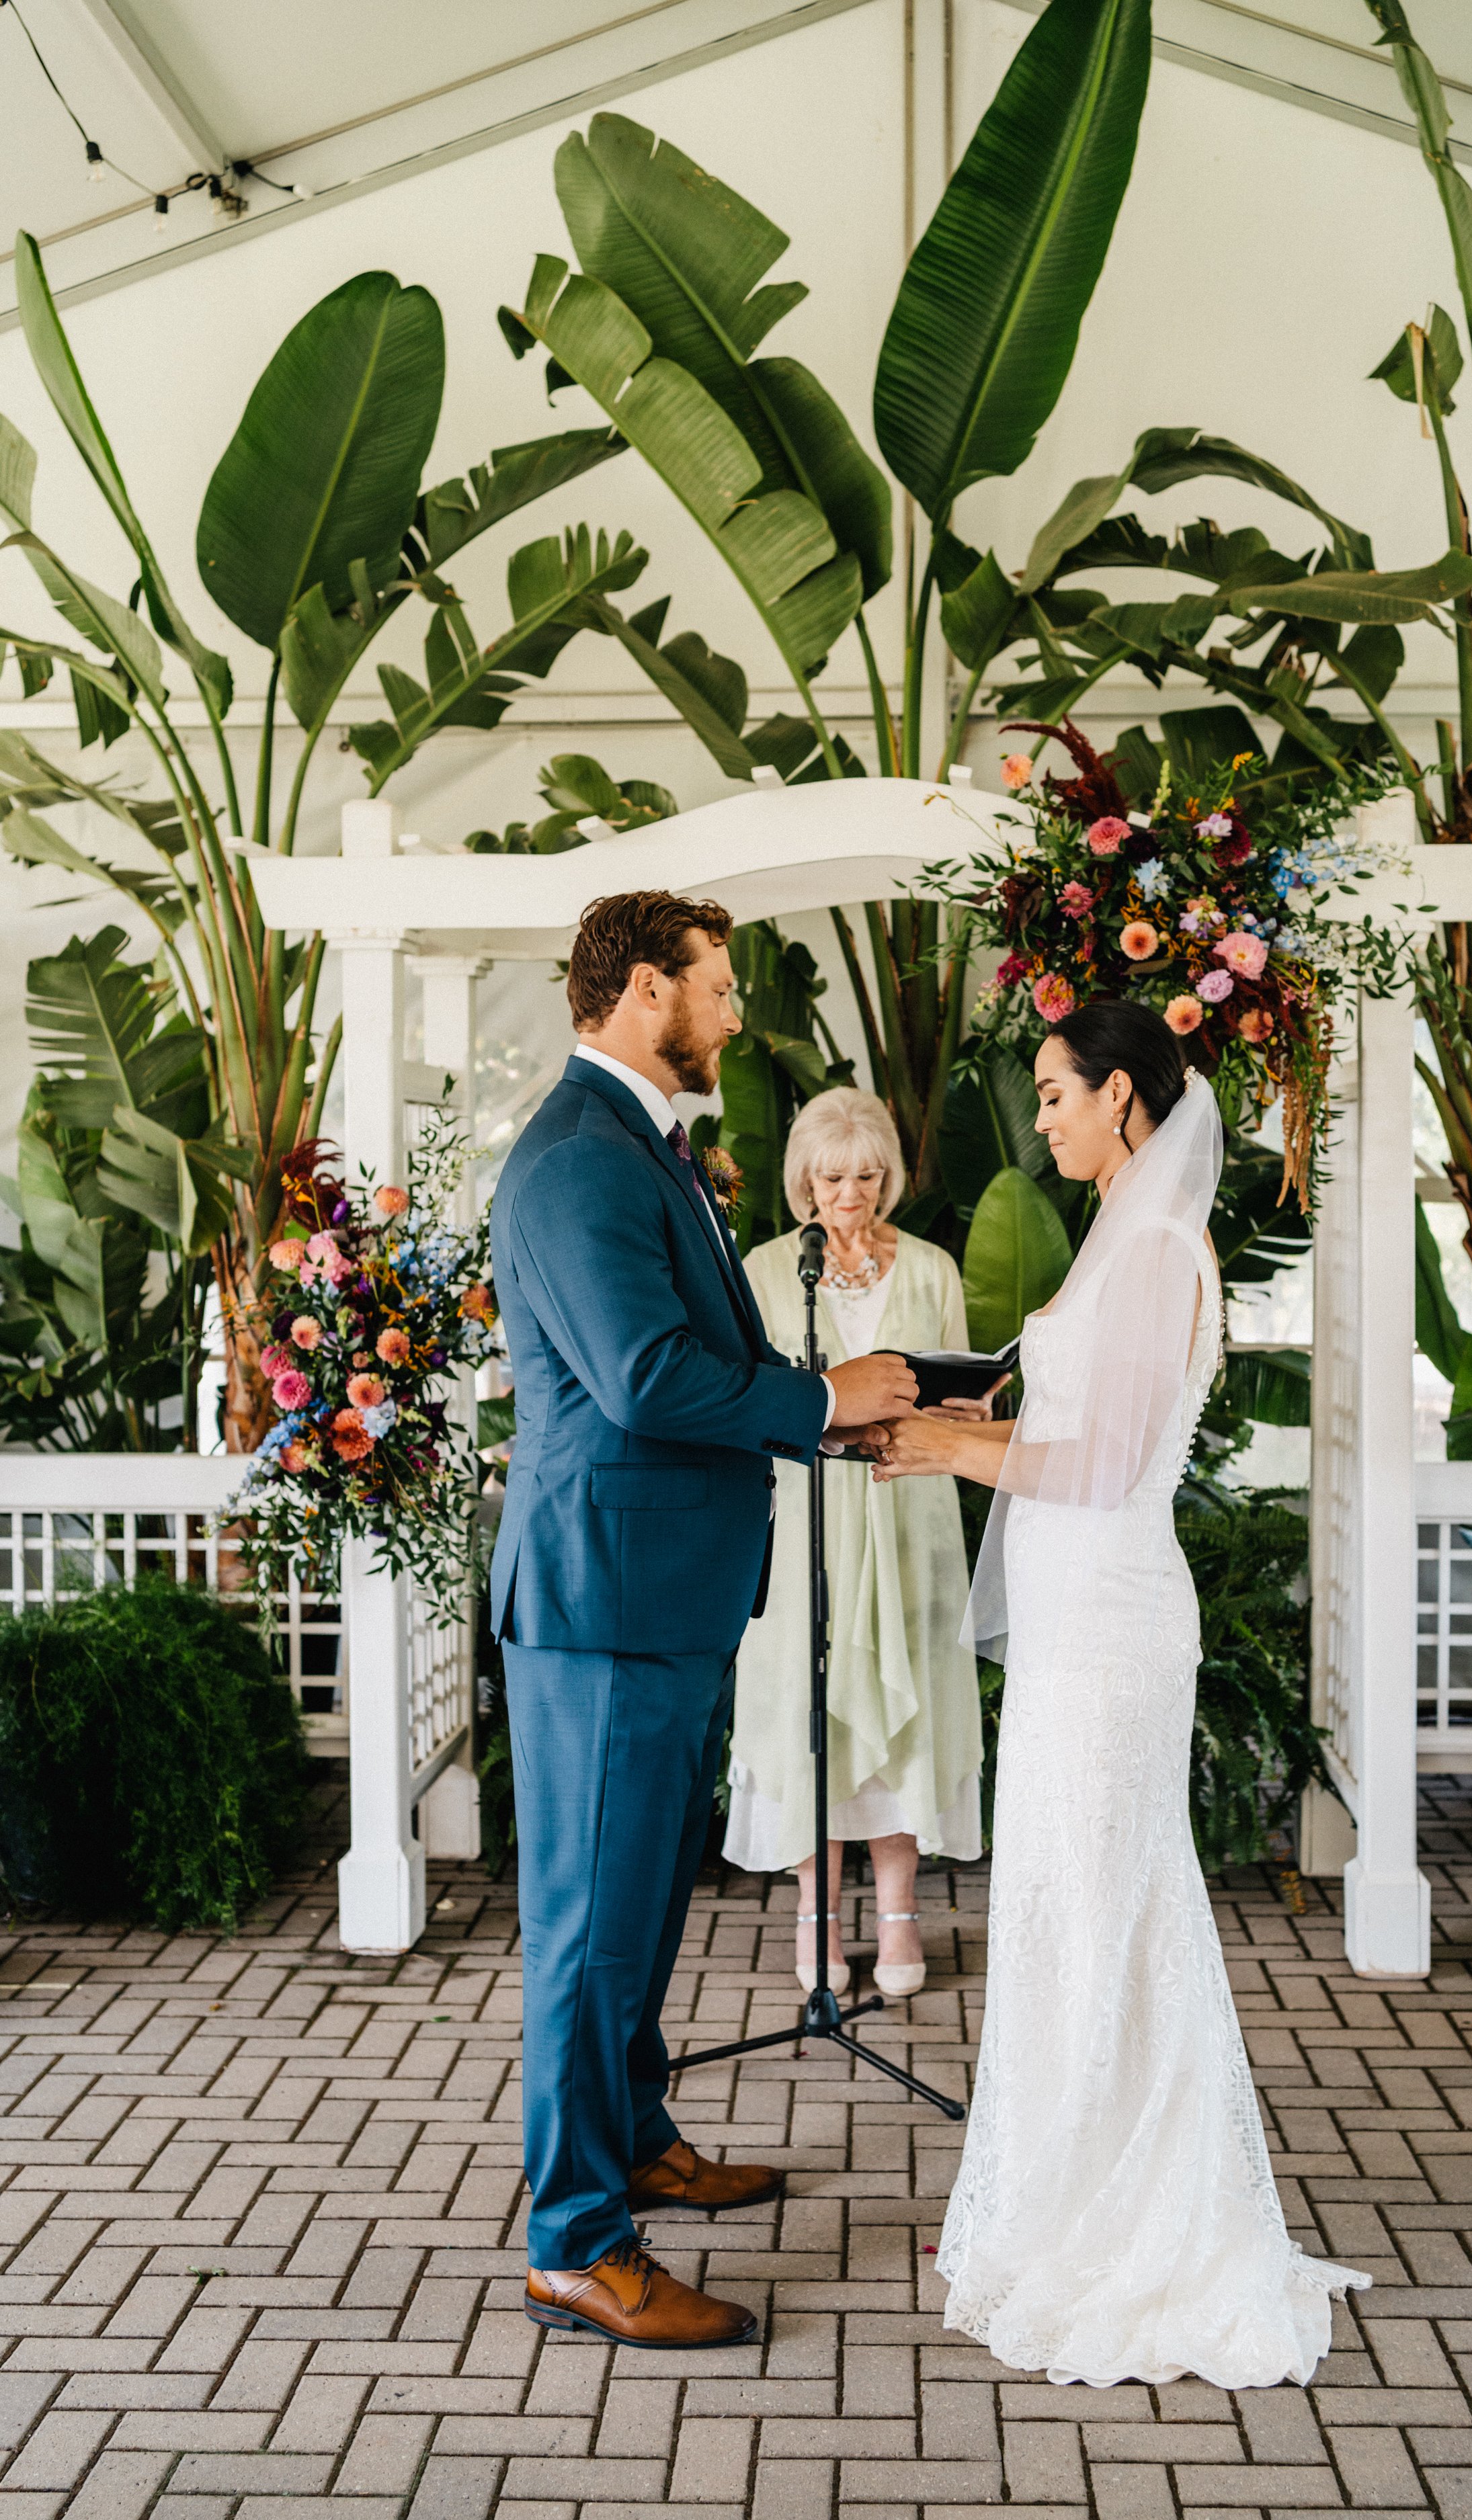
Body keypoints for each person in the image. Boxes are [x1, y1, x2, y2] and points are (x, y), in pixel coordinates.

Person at [866, 999, 1367, 2389]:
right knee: (1070, 1901)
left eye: (1053, 1093)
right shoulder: (1120, 1239)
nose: (1039, 1118)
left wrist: (945, 1450)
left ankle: (1130, 2226)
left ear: (1125, 1099)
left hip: (1113, 1627)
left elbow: (1100, 1467)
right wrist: (956, 1432)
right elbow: (1076, 1428)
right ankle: (1059, 2193)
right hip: (1079, 1615)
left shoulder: (1152, 1249)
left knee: (1099, 1907)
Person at [489, 890, 919, 2352]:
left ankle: (635, 2140)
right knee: (588, 1933)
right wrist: (819, 1403)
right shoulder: (573, 1162)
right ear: (637, 992)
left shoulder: (641, 1147)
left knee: (641, 1909)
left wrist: (843, 1416)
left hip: (657, 1598)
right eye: (715, 987)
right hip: (602, 1606)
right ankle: (575, 2242)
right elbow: (645, 1378)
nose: (736, 1012)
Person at [725, 1089, 988, 2000]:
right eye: (834, 1178)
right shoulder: (763, 1272)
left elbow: (963, 1392)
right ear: (805, 1181)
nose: (852, 1195)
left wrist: (964, 1406)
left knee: (907, 1698)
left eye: (868, 1176)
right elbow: (748, 1400)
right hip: (809, 1516)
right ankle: (817, 1918)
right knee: (812, 1703)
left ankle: (902, 1913)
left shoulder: (931, 1268)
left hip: (909, 1505)